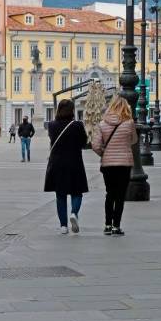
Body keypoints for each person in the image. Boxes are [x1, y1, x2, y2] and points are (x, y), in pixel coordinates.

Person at [93, 96, 137, 237]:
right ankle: (116, 226)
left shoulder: (102, 124)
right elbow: (134, 140)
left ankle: (107, 225)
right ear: (126, 108)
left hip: (108, 165)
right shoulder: (129, 123)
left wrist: (104, 154)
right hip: (124, 163)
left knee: (110, 194)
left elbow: (95, 146)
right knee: (120, 196)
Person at [44, 99, 88, 235]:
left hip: (57, 163)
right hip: (74, 162)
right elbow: (83, 143)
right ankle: (74, 213)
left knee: (60, 195)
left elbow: (52, 141)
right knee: (77, 192)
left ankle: (63, 226)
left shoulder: (51, 125)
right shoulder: (78, 125)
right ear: (72, 110)